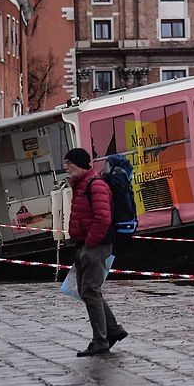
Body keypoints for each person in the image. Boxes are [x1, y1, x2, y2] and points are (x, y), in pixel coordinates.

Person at [64, 147, 128, 357]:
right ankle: (114, 330)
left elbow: (103, 218)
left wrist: (90, 243)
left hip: (95, 245)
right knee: (88, 291)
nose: (66, 167)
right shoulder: (81, 184)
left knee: (90, 291)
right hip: (86, 245)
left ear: (80, 164)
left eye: (69, 163)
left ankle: (100, 340)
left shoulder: (95, 184)